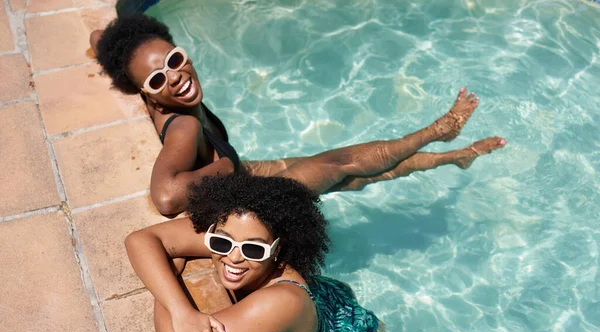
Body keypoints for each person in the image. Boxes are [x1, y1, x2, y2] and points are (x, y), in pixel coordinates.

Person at [92, 14, 506, 216]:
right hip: (245, 196)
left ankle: (456, 155)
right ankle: (440, 132)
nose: (176, 77)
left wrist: (103, 46)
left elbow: (103, 42)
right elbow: (165, 197)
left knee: (357, 175)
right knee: (341, 163)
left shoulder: (152, 92)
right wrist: (221, 165)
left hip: (247, 174)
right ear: (150, 98)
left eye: (175, 59)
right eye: (158, 79)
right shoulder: (182, 124)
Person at [125, 173, 387, 332]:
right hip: (327, 304)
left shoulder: (281, 302)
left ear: (278, 249)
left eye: (253, 249)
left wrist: (171, 272)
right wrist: (180, 307)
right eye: (221, 241)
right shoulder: (237, 234)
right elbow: (141, 240)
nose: (234, 257)